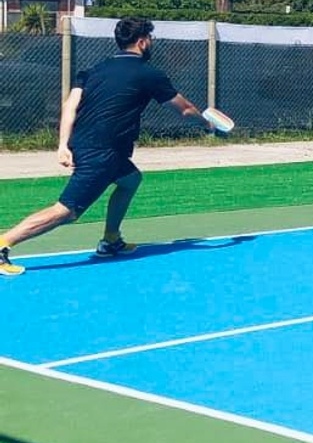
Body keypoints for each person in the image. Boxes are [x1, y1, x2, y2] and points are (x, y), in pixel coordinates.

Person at [0, 17, 212, 276]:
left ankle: (111, 240)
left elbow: (70, 106)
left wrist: (63, 144)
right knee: (67, 211)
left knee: (130, 180)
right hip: (102, 152)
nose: (152, 43)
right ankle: (4, 243)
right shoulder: (149, 74)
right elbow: (186, 109)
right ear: (143, 42)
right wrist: (208, 124)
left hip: (96, 148)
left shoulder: (94, 69)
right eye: (151, 39)